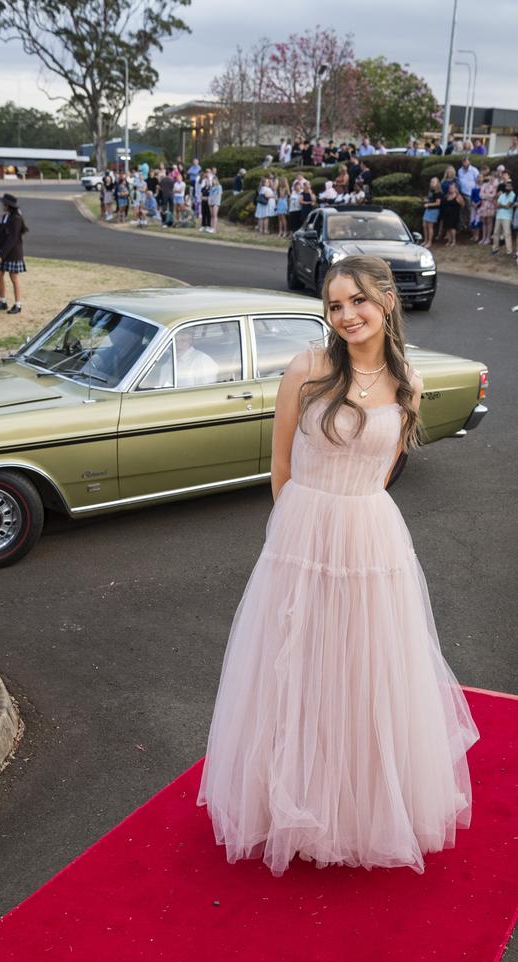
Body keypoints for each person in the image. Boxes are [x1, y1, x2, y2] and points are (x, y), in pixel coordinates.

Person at [197, 254, 480, 877]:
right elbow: (280, 465)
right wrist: (291, 535)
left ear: (386, 303)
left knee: (365, 664)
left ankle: (360, 806)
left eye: (358, 301)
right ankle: (284, 799)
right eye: (334, 305)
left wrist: (351, 518)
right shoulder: (307, 368)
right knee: (295, 660)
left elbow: (383, 471)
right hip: (303, 529)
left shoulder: (408, 381)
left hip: (369, 535)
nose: (346, 315)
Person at [0, 193, 28, 314]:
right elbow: (1, 232)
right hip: (3, 250)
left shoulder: (16, 218)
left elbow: (12, 238)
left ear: (8, 205)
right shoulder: (6, 216)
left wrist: (1, 255)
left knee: (14, 277)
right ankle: (3, 301)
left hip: (12, 252)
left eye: (3, 203)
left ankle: (18, 305)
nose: (2, 205)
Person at [491, 180, 516, 257]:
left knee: (507, 234)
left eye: (509, 186)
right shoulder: (502, 195)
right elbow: (497, 205)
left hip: (507, 217)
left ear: (512, 187)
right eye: (506, 186)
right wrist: (503, 205)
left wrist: (502, 205)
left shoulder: (513, 195)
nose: (507, 187)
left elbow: (508, 206)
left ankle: (509, 251)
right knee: (496, 233)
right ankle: (495, 249)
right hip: (499, 216)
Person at [440, 182, 465, 247]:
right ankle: (449, 240)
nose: (450, 189)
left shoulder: (458, 196)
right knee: (447, 227)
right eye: (450, 188)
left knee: (452, 228)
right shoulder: (446, 196)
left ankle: (453, 240)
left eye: (452, 188)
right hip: (446, 214)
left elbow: (462, 205)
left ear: (455, 189)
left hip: (454, 214)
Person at [478, 169, 498, 246]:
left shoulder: (495, 186)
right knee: (484, 222)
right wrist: (487, 196)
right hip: (484, 205)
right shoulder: (484, 185)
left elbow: (493, 196)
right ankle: (483, 237)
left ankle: (488, 238)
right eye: (491, 176)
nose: (492, 178)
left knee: (489, 222)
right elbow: (480, 194)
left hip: (491, 205)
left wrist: (486, 196)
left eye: (494, 177)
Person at [421, 177, 442, 248]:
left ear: (437, 183)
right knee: (424, 225)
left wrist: (428, 204)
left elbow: (438, 203)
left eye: (434, 182)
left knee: (430, 227)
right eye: (431, 182)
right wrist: (426, 200)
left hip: (434, 210)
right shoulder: (431, 191)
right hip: (428, 209)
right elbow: (430, 199)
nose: (432, 183)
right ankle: (425, 240)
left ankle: (430, 242)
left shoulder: (438, 192)